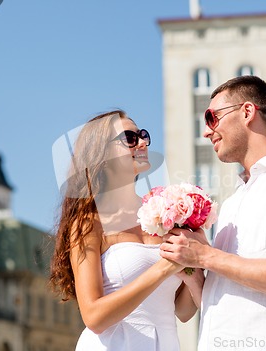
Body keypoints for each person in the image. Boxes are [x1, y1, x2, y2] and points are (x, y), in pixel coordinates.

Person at [160, 76, 266, 351]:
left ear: (247, 112)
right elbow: (228, 306)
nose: (207, 131)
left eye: (212, 117)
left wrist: (205, 255)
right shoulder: (233, 201)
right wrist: (194, 272)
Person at [49, 110, 204, 351]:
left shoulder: (164, 214)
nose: (142, 142)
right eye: (130, 138)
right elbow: (93, 317)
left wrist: (198, 259)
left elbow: (183, 311)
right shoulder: (89, 222)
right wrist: (162, 269)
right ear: (101, 152)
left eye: (142, 135)